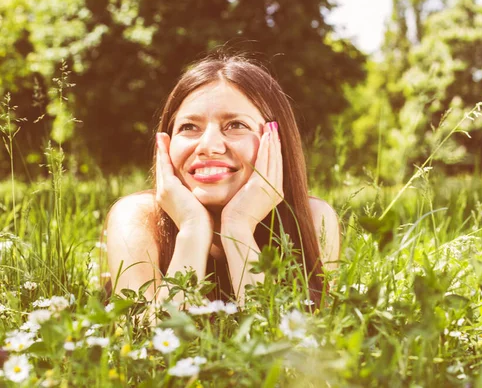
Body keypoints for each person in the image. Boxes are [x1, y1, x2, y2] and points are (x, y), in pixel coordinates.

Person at [105, 55, 340, 307]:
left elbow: (279, 339)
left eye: (235, 125)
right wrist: (192, 229)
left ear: (275, 141)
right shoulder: (138, 218)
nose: (208, 146)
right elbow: (152, 341)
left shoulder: (314, 219)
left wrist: (238, 227)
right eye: (189, 127)